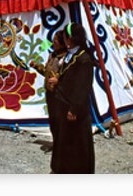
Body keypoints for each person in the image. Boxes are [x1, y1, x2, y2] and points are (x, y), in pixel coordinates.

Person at [49, 22, 96, 174]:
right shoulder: (71, 55)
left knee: (77, 142)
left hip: (73, 108)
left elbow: (82, 86)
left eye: (64, 37)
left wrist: (74, 108)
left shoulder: (84, 59)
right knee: (65, 140)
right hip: (62, 103)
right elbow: (68, 77)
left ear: (70, 39)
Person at [30, 29, 67, 170]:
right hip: (50, 93)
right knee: (53, 120)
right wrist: (36, 66)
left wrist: (59, 80)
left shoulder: (67, 58)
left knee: (60, 120)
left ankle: (62, 146)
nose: (53, 43)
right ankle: (57, 143)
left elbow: (68, 76)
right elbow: (46, 72)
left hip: (60, 94)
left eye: (56, 41)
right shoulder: (53, 55)